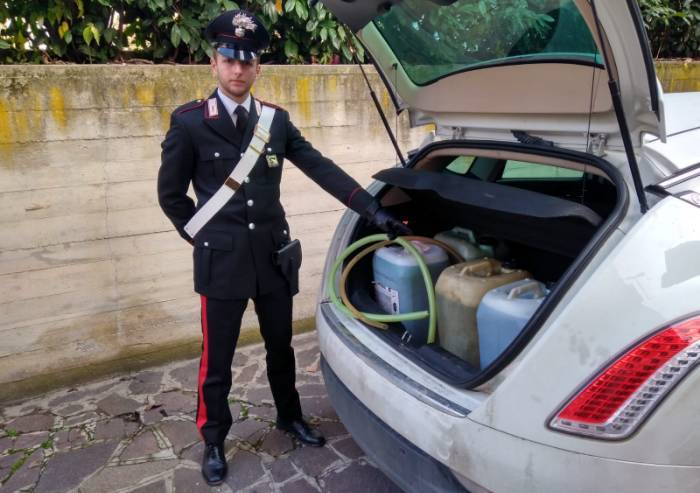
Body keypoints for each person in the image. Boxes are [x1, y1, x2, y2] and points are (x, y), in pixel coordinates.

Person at [157, 9, 409, 486]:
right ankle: (213, 439)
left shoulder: (275, 121)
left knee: (280, 347)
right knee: (218, 359)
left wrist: (373, 210)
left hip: (273, 258)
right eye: (229, 59)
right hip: (221, 264)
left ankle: (289, 416)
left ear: (257, 67)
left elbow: (320, 166)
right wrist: (203, 237)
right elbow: (171, 196)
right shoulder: (189, 123)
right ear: (214, 63)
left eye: (246, 61)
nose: (237, 70)